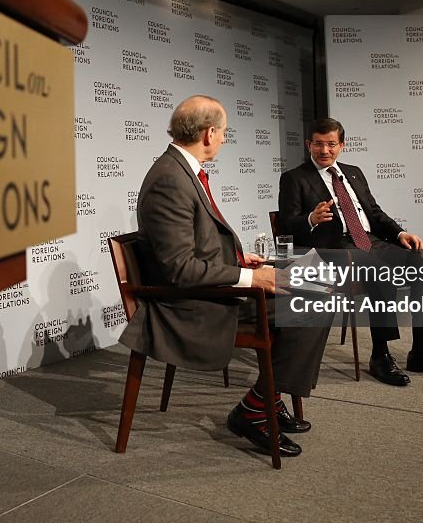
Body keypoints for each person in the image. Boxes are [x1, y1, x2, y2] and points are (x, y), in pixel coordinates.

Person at [119, 95, 328, 457]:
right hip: (192, 305)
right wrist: (252, 280)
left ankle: (267, 397)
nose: (224, 139)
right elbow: (181, 269)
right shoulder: (170, 179)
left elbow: (193, 243)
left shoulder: (182, 171)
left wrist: (236, 258)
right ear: (208, 133)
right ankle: (255, 409)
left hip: (210, 287)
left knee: (314, 283)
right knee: (312, 305)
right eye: (224, 132)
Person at [277, 117, 423, 387]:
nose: (324, 150)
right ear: (309, 144)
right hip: (334, 250)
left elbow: (374, 213)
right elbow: (286, 224)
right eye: (318, 144)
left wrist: (400, 233)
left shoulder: (353, 172)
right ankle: (380, 356)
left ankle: (421, 351)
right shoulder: (294, 178)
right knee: (380, 272)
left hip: (371, 241)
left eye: (331, 144)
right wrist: (311, 219)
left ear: (342, 145)